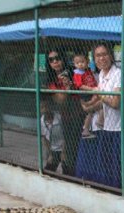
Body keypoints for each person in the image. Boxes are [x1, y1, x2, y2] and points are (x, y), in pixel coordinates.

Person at [75, 42, 124, 189]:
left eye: (104, 54)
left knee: (121, 175)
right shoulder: (102, 75)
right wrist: (90, 107)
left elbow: (115, 102)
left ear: (110, 56)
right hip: (106, 129)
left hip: (119, 129)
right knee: (107, 173)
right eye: (98, 55)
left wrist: (98, 93)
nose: (101, 58)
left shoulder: (118, 74)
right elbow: (104, 101)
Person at [45, 48, 83, 176]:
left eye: (58, 58)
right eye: (51, 60)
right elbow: (60, 99)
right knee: (62, 151)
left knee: (72, 151)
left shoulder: (74, 73)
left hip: (79, 115)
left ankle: (70, 175)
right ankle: (60, 175)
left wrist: (71, 85)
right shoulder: (51, 81)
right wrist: (67, 87)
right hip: (63, 118)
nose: (55, 62)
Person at [71, 51, 101, 139]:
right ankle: (87, 128)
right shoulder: (78, 73)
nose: (80, 64)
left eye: (82, 62)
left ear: (87, 61)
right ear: (74, 64)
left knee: (91, 111)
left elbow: (92, 80)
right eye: (77, 63)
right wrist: (92, 89)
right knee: (90, 111)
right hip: (86, 93)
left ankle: (87, 128)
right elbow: (80, 85)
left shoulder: (88, 71)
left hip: (92, 91)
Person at [39, 96, 64, 173]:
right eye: (42, 107)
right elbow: (44, 138)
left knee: (67, 170)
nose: (45, 109)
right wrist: (50, 154)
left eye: (47, 106)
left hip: (64, 148)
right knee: (48, 171)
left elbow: (67, 136)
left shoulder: (59, 117)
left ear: (50, 107)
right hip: (53, 150)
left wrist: (64, 152)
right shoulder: (42, 120)